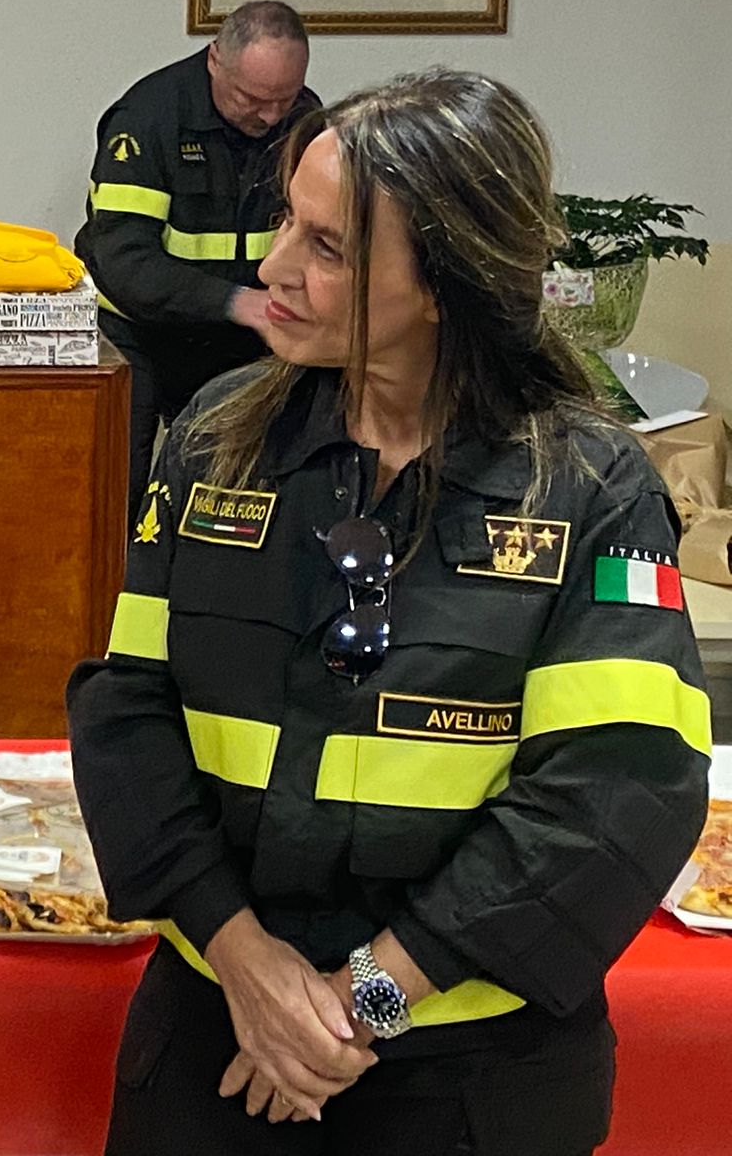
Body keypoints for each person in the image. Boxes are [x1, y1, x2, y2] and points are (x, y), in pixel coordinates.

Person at [68, 69, 708, 1153]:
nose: (272, 266)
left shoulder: (588, 489)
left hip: (468, 1084)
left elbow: (617, 793)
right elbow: (128, 713)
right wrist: (244, 963)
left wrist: (360, 1003)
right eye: (286, 220)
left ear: (451, 283)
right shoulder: (214, 441)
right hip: (215, 1044)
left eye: (327, 247)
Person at [73, 2, 317, 524]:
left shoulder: (306, 123)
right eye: (253, 99)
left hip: (242, 338)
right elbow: (125, 263)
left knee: (242, 494)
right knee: (117, 492)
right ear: (214, 60)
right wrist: (238, 302)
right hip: (136, 332)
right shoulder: (147, 121)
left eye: (285, 98)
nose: (271, 117)